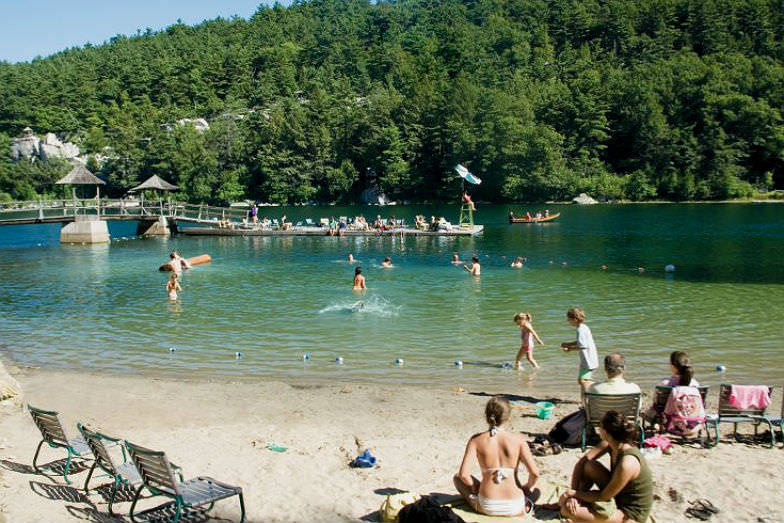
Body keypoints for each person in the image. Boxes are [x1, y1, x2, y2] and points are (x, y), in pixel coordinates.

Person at [557, 411, 653, 523]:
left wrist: (572, 493)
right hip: (618, 495)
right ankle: (577, 501)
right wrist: (574, 495)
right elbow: (582, 463)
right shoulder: (611, 443)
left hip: (629, 513)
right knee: (590, 465)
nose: (598, 429)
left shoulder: (627, 463)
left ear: (606, 432)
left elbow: (603, 496)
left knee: (566, 511)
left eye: (600, 426)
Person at [454, 396, 540, 517]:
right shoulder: (518, 440)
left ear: (486, 416)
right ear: (508, 417)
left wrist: (475, 487)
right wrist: (527, 487)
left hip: (487, 505)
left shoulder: (476, 440)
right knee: (537, 490)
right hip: (515, 505)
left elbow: (463, 475)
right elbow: (535, 473)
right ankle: (525, 505)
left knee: (457, 478)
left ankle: (481, 497)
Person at [561, 307, 599, 389]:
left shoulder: (580, 330)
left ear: (574, 319)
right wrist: (569, 343)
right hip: (591, 358)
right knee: (583, 380)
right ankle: (585, 398)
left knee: (583, 381)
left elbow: (582, 346)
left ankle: (597, 389)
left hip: (588, 360)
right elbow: (582, 342)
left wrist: (569, 349)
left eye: (568, 319)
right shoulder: (584, 327)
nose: (568, 321)